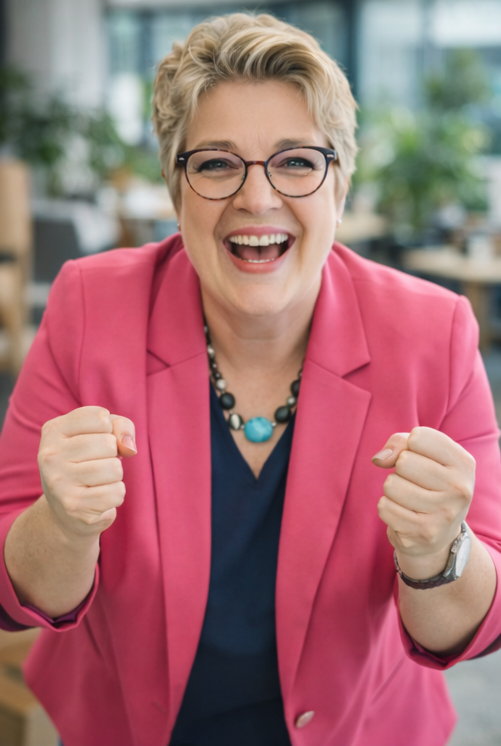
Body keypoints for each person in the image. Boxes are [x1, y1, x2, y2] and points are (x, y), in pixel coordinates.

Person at [0, 12, 500, 746]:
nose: (257, 199)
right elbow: (14, 591)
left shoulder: (435, 332)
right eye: (215, 164)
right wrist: (64, 526)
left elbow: (472, 627)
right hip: (123, 723)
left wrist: (437, 555)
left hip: (362, 728)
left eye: (295, 161)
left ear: (339, 186)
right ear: (176, 189)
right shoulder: (88, 306)